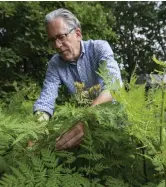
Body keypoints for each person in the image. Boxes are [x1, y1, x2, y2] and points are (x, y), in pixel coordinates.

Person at [33, 8, 122, 151]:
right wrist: (34, 132)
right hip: (86, 134)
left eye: (61, 37)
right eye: (52, 40)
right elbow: (46, 101)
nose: (57, 45)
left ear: (78, 34)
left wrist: (86, 118)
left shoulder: (99, 48)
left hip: (116, 124)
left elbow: (114, 86)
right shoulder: (55, 64)